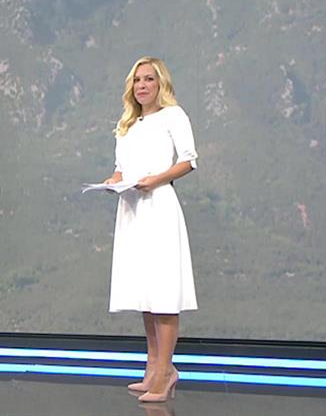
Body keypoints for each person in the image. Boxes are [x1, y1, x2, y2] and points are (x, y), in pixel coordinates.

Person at [103, 56, 198, 403]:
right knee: (145, 294)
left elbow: (188, 161)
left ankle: (165, 372)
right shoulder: (127, 124)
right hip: (132, 210)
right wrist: (114, 181)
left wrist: (154, 180)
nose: (142, 85)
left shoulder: (174, 116)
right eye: (137, 80)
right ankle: (153, 368)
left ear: (160, 84)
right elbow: (120, 168)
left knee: (163, 293)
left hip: (158, 207)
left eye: (149, 79)